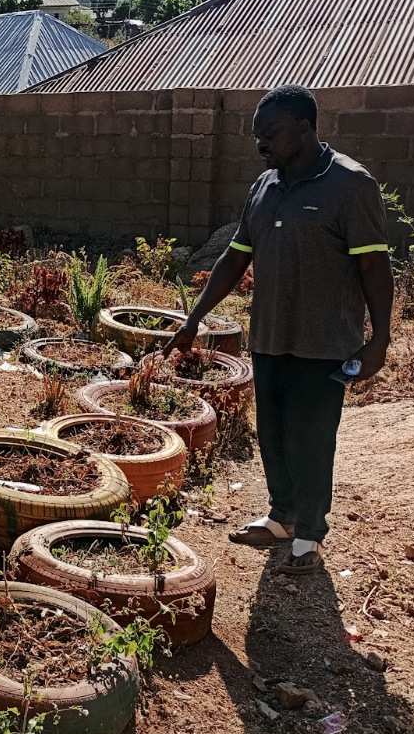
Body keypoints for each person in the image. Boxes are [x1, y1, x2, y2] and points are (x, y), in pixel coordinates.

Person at [164, 84, 394, 575]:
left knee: (311, 438)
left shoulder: (351, 185)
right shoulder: (264, 186)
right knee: (272, 433)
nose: (260, 144)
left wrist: (380, 338)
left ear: (305, 127)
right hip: (269, 335)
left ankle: (309, 534)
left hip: (323, 341)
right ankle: (281, 518)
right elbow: (235, 256)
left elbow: (375, 267)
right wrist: (194, 317)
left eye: (270, 133)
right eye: (256, 135)